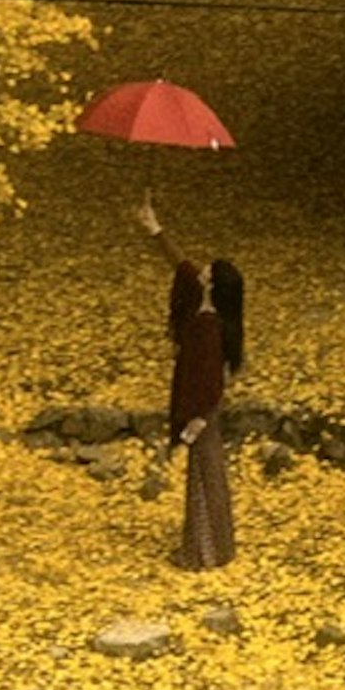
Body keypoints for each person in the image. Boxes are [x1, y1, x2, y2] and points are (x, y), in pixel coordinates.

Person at [136, 191, 246, 570]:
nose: (203, 270)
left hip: (203, 409)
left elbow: (210, 380)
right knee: (205, 473)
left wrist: (193, 423)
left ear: (214, 285)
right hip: (201, 407)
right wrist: (154, 226)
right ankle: (213, 547)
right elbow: (178, 262)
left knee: (204, 475)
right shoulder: (201, 298)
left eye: (209, 271)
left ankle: (205, 552)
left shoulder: (209, 328)